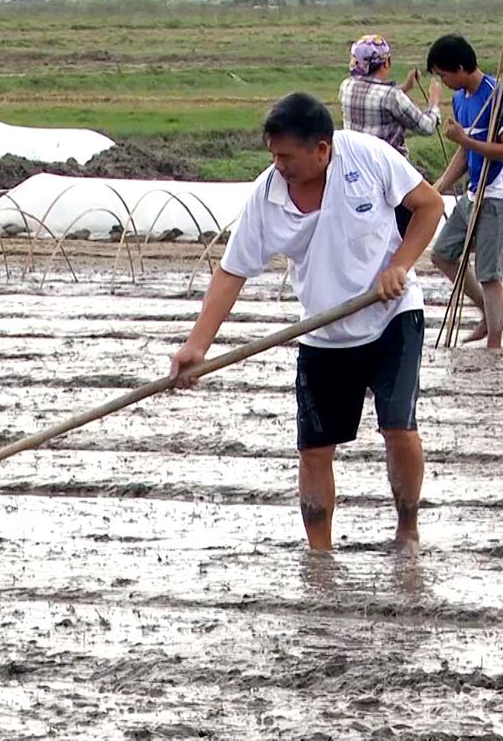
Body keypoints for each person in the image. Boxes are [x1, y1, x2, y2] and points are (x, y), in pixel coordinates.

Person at [168, 92, 445, 555]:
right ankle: (320, 554)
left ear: (322, 149)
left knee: (397, 426)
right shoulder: (268, 195)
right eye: (274, 155)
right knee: (314, 449)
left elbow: (429, 206)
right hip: (322, 328)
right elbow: (232, 271)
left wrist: (399, 264)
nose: (279, 165)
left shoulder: (368, 157)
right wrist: (198, 345)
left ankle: (408, 529)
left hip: (391, 313)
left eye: (287, 156)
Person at [426, 34, 503, 349]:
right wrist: (438, 187)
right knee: (442, 254)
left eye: (444, 74)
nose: (443, 80)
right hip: (472, 194)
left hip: (499, 195)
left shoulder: (497, 96)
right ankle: (488, 311)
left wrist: (464, 141)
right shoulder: (461, 99)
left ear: (460, 67)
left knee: (489, 273)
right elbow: (465, 156)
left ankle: (494, 343)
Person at [340, 34, 444, 237]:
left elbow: (374, 97)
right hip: (389, 175)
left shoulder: (347, 86)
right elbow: (426, 126)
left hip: (356, 172)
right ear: (386, 63)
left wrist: (405, 88)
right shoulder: (392, 97)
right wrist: (434, 104)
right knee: (399, 234)